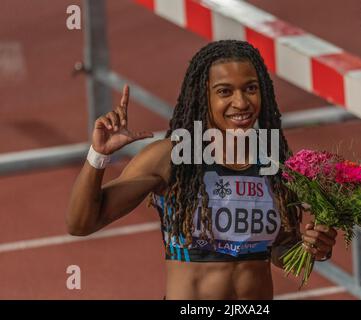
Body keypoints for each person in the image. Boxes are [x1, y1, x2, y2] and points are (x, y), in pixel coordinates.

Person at [66, 40, 337, 300]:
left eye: (251, 88)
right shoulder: (171, 159)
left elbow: (279, 247)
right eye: (225, 91)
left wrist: (312, 248)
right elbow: (82, 224)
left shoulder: (274, 163)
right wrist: (98, 155)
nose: (241, 102)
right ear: (202, 94)